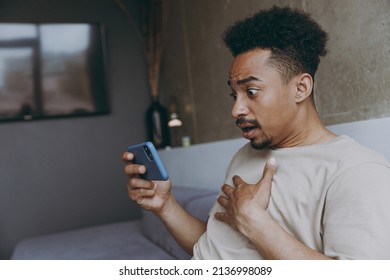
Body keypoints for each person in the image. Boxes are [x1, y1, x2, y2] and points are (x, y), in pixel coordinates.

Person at [123, 6, 390, 259]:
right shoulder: (246, 154)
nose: (236, 109)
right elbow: (216, 248)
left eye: (251, 92)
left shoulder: (358, 171)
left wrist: (253, 220)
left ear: (301, 88)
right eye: (234, 94)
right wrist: (165, 205)